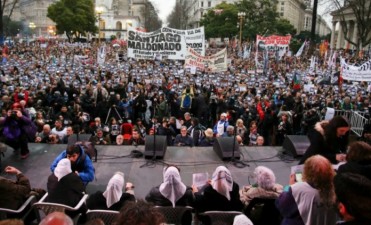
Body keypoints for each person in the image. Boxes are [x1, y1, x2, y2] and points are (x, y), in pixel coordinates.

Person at [276, 155, 337, 225]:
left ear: (307, 171)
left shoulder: (296, 189)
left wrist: (288, 186)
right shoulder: (336, 190)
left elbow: (280, 205)